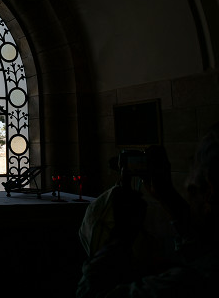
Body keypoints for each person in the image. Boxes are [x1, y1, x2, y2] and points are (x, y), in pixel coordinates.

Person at [76, 123, 219, 297]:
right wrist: (168, 196)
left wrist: (121, 234)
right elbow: (200, 251)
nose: (187, 184)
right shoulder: (208, 264)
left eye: (193, 168)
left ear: (209, 189)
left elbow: (88, 293)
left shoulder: (185, 284)